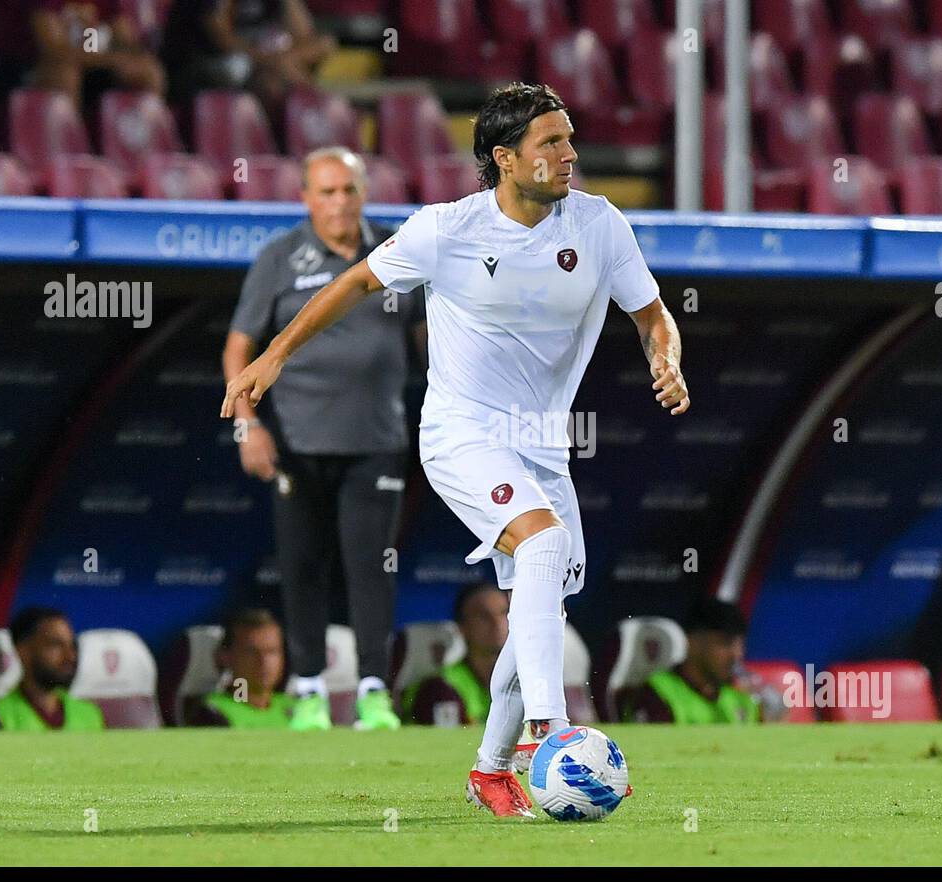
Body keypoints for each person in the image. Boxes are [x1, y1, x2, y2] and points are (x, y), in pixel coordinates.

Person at [223, 82, 689, 818]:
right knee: (543, 547)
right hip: (462, 433)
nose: (570, 154)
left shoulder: (600, 226)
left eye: (570, 138)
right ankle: (550, 733)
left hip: (543, 447)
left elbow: (653, 316)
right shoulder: (446, 229)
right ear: (506, 159)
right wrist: (275, 356)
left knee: (546, 597)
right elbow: (353, 283)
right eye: (552, 143)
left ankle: (489, 769)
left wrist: (667, 356)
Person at [222, 147, 423, 733]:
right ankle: (307, 689)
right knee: (302, 566)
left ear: (365, 194)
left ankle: (373, 693)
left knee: (371, 567)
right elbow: (240, 347)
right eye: (327, 192)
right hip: (295, 440)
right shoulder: (280, 258)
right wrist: (247, 425)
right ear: (305, 198)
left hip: (376, 439)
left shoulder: (397, 249)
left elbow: (427, 337)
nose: (339, 202)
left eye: (349, 191)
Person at [161, 0, 336, 115]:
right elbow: (220, 35)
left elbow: (305, 35)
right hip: (202, 66)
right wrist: (266, 60)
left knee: (323, 43)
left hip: (259, 62)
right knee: (269, 81)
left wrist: (278, 61)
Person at [623, 598, 760, 725]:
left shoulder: (742, 697)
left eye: (740, 644)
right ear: (692, 642)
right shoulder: (659, 694)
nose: (736, 654)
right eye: (724, 643)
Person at [185, 608, 322, 729]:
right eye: (251, 652)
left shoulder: (298, 708)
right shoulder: (213, 712)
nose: (263, 661)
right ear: (226, 656)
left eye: (272, 651)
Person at [22, 0, 166, 110]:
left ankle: (146, 140)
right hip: (32, 69)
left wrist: (132, 56)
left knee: (147, 70)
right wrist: (112, 59)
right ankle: (66, 139)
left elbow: (127, 44)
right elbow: (55, 51)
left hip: (95, 67)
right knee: (64, 72)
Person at [404, 582, 509, 726]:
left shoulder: (523, 679)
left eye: (504, 613)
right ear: (462, 627)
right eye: (484, 616)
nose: (498, 623)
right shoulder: (439, 688)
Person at [0, 607, 105, 731]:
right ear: (23, 650)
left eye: (72, 645)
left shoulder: (89, 714)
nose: (70, 656)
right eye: (56, 645)